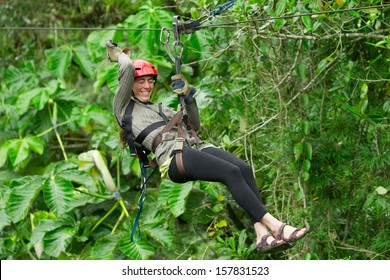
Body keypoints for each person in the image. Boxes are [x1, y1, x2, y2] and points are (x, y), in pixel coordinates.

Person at [106, 40, 309, 253]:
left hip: (193, 146)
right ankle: (277, 226)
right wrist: (117, 54)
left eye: (150, 81)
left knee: (243, 169)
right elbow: (127, 67)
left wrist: (188, 96)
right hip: (172, 158)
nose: (147, 86)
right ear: (129, 84)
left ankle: (261, 234)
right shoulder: (123, 108)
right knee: (229, 172)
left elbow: (194, 126)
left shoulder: (160, 108)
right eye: (141, 82)